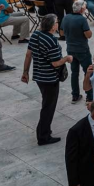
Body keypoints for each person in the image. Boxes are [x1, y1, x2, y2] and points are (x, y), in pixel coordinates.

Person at [23, 14, 72, 145]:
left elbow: (29, 55)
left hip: (39, 76)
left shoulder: (35, 35)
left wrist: (25, 72)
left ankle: (43, 132)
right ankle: (44, 136)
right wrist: (67, 59)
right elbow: (55, 63)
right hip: (49, 78)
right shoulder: (51, 40)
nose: (58, 24)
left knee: (46, 105)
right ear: (52, 26)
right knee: (48, 107)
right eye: (57, 22)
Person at [61, 0, 94, 103]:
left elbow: (61, 33)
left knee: (74, 73)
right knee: (88, 72)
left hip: (70, 49)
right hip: (82, 49)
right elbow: (88, 35)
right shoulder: (82, 20)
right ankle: (89, 95)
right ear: (82, 9)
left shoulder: (65, 18)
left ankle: (75, 95)